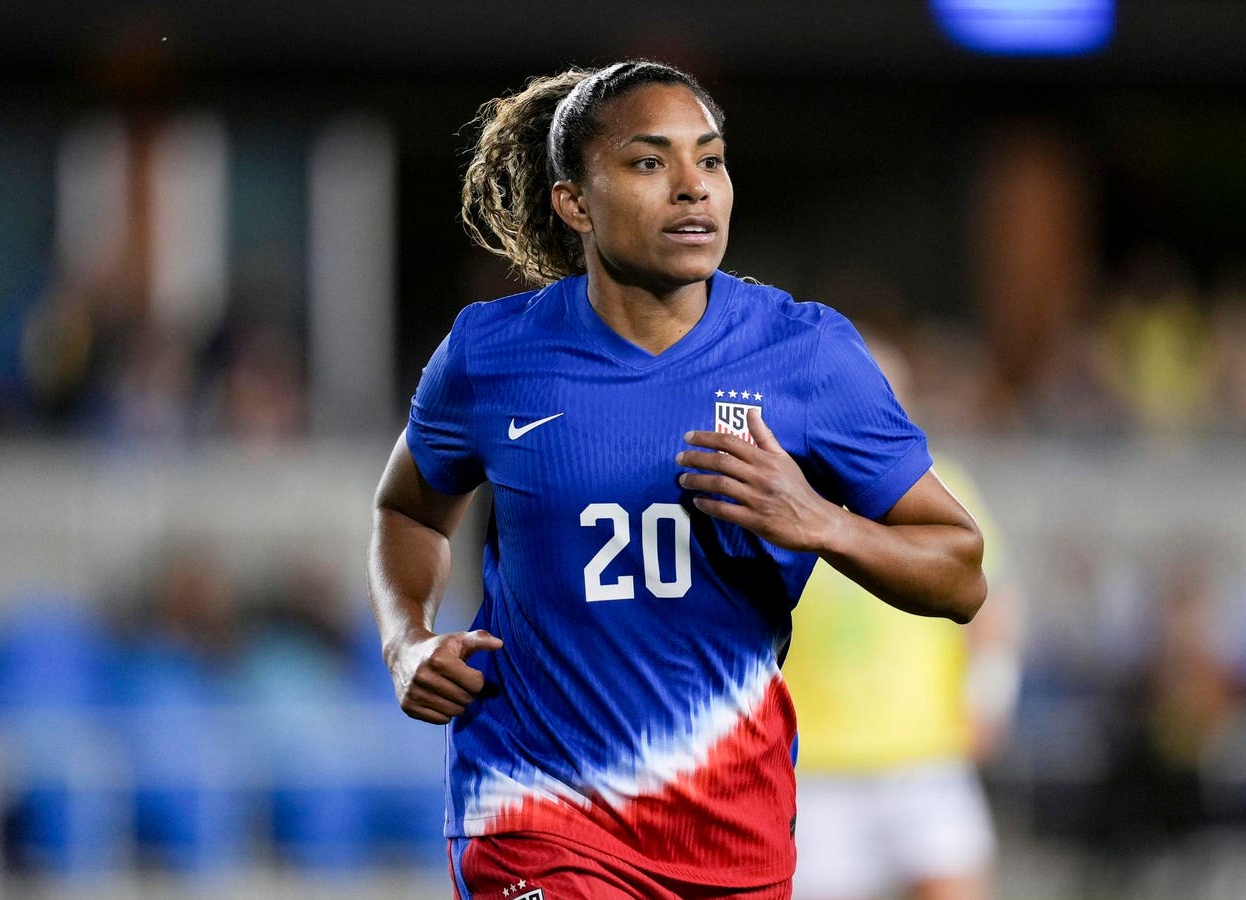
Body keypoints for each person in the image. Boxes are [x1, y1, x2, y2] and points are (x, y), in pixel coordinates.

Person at [368, 60, 987, 900]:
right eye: (650, 162)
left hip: (730, 832)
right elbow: (408, 510)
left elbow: (961, 574)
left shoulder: (806, 356)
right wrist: (406, 639)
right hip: (532, 811)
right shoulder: (490, 354)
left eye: (712, 159)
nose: (693, 186)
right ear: (575, 202)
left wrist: (820, 520)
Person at [783, 333, 1024, 900]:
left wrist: (989, 698)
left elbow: (991, 606)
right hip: (819, 762)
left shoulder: (943, 491)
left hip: (923, 748)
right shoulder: (786, 496)